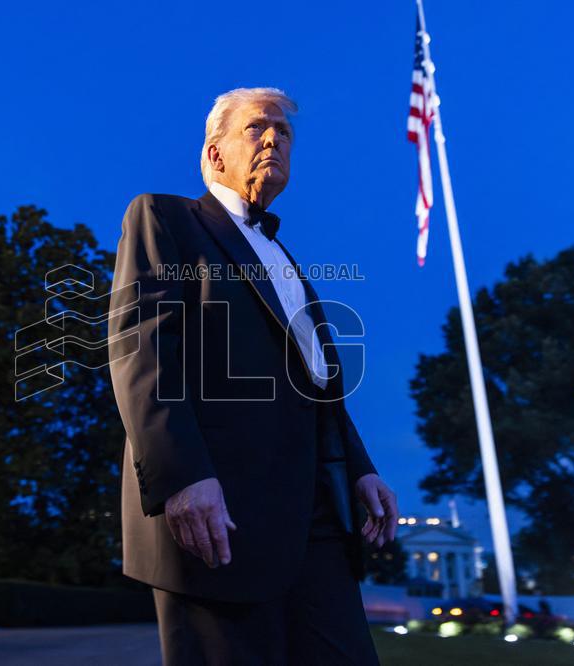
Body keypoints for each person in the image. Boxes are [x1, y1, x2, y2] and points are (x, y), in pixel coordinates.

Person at [107, 87, 399, 665]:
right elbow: (141, 348)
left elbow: (319, 389)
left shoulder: (289, 263)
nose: (273, 139)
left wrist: (362, 469)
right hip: (221, 516)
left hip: (315, 519)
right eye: (256, 128)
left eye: (283, 133)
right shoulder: (164, 218)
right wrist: (182, 476)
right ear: (214, 155)